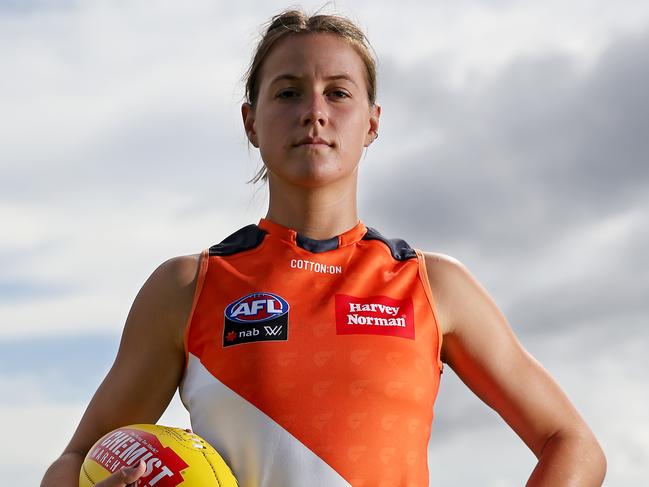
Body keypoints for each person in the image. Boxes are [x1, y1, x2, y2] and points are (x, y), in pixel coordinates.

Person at [41, 8, 606, 487]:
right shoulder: (188, 287)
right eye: (287, 92)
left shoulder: (433, 286)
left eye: (338, 92)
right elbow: (74, 461)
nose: (314, 111)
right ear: (251, 122)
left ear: (372, 123)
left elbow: (572, 443)